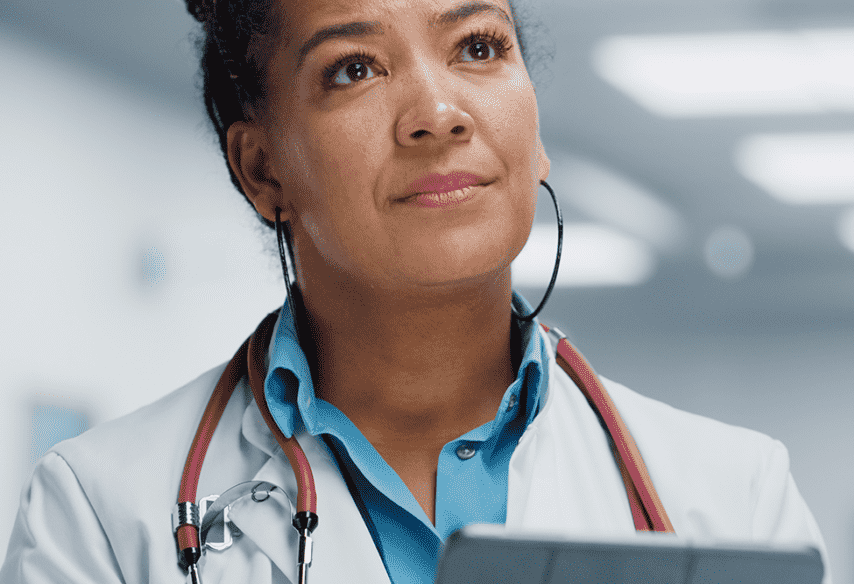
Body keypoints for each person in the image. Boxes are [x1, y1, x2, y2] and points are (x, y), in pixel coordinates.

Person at [0, 0, 832, 582]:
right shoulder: (104, 515)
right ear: (262, 170)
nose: (437, 111)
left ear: (535, 130)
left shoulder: (733, 496)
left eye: (478, 46)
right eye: (354, 68)